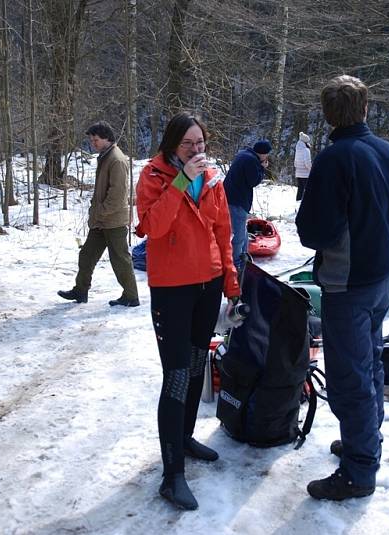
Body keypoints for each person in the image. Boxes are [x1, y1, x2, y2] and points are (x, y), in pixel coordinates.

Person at [296, 75, 389, 501]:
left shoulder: (335, 159)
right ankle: (366, 442)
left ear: (327, 115)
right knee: (369, 361)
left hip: (347, 283)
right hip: (380, 278)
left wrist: (362, 238)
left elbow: (312, 231)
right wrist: (388, 240)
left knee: (349, 375)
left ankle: (358, 471)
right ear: (366, 109)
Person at [135, 112, 240, 511]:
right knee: (177, 376)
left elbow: (222, 233)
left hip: (208, 284)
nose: (197, 151)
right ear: (170, 146)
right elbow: (151, 228)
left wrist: (230, 281)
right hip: (172, 291)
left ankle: (186, 438)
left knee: (198, 366)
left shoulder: (212, 178)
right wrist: (180, 182)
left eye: (201, 144)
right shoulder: (153, 177)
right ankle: (171, 475)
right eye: (188, 145)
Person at [57, 121, 139, 307]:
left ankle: (131, 296)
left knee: (120, 259)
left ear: (106, 139)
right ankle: (80, 291)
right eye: (91, 140)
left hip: (113, 220)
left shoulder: (116, 159)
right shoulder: (106, 156)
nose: (92, 143)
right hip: (102, 220)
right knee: (86, 255)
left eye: (95, 140)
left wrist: (99, 213)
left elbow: (117, 196)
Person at [223, 139, 272, 273]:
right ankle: (236, 263)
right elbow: (253, 181)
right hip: (237, 199)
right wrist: (262, 168)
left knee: (242, 229)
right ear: (262, 154)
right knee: (238, 234)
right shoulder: (251, 161)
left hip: (229, 196)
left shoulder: (244, 154)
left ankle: (244, 256)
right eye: (267, 154)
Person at [294, 131, 312, 200]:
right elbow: (307, 162)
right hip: (305, 174)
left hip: (298, 173)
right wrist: (311, 169)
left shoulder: (297, 150)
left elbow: (295, 162)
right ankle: (308, 204)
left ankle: (297, 202)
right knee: (308, 190)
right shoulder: (306, 150)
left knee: (300, 189)